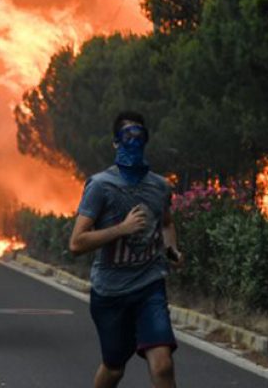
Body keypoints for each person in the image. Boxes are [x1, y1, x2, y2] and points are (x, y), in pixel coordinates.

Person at [69, 111, 183, 388]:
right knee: (114, 368)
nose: (133, 143)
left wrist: (172, 249)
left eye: (139, 136)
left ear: (146, 140)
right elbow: (76, 243)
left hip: (149, 285)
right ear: (115, 143)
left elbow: (166, 222)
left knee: (163, 366)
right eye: (126, 136)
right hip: (110, 292)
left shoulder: (160, 186)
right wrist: (122, 229)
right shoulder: (100, 186)